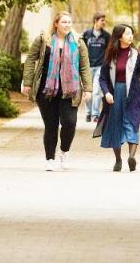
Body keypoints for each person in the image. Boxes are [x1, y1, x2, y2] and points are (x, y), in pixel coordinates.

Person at [22, 12, 92, 171]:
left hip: (70, 90)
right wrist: (27, 82)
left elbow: (84, 66)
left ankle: (64, 152)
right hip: (46, 89)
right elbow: (30, 59)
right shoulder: (43, 39)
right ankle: (50, 159)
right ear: (56, 24)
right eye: (64, 22)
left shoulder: (78, 41)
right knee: (51, 125)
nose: (67, 25)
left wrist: (87, 88)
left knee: (69, 122)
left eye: (69, 22)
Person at [98, 24, 140, 172]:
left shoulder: (136, 55)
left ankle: (131, 156)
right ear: (119, 36)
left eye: (131, 34)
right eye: (127, 34)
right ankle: (118, 159)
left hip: (133, 94)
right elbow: (102, 78)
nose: (131, 36)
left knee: (132, 123)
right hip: (115, 94)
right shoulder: (110, 55)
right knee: (115, 125)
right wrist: (106, 93)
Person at [82, 12, 109, 122]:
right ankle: (88, 113)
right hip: (87, 66)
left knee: (97, 90)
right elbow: (81, 49)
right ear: (95, 21)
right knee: (88, 90)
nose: (103, 22)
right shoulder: (86, 34)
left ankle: (95, 114)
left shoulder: (107, 36)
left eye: (104, 20)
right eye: (102, 20)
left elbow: (109, 51)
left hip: (100, 67)